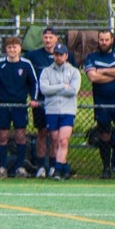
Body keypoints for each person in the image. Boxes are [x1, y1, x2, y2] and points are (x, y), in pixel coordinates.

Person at [0, 36, 40, 177]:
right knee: (3, 136)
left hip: (20, 105)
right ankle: (2, 167)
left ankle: (20, 167)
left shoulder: (26, 64)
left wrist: (33, 98)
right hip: (3, 106)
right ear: (6, 49)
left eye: (15, 47)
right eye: (9, 47)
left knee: (20, 136)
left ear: (20, 48)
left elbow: (34, 83)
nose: (12, 50)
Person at [84, 29, 115, 177]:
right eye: (101, 40)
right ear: (98, 40)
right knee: (104, 135)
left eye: (106, 40)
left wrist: (103, 71)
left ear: (112, 40)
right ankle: (106, 168)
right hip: (102, 104)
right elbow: (93, 78)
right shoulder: (92, 57)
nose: (104, 43)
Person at [36, 43, 81, 179]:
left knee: (63, 140)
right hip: (52, 110)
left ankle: (58, 170)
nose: (58, 57)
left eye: (61, 54)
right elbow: (44, 90)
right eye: (56, 54)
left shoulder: (74, 72)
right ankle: (64, 167)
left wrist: (54, 88)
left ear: (66, 55)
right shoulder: (46, 72)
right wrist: (62, 86)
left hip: (68, 110)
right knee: (55, 140)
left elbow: (73, 91)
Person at [23, 27, 62, 172]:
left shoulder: (64, 55)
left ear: (56, 39)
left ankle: (53, 165)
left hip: (58, 102)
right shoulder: (33, 56)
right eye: (45, 37)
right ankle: (40, 166)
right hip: (40, 101)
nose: (48, 40)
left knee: (55, 134)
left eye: (51, 37)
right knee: (42, 133)